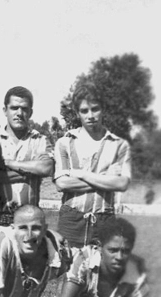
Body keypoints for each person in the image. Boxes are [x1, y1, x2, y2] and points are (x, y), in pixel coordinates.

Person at [54, 82, 131, 248]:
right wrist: (106, 180)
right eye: (84, 110)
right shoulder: (65, 142)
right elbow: (62, 183)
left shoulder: (119, 144)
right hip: (71, 218)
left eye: (95, 109)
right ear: (77, 113)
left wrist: (82, 174)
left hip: (105, 218)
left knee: (101, 271)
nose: (90, 115)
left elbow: (122, 183)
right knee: (68, 269)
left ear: (103, 109)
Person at [0, 86, 54, 226]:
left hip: (30, 221)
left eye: (25, 109)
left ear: (31, 112)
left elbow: (46, 168)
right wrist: (32, 171)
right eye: (14, 108)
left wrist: (7, 163)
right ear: (5, 110)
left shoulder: (40, 140)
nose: (19, 113)